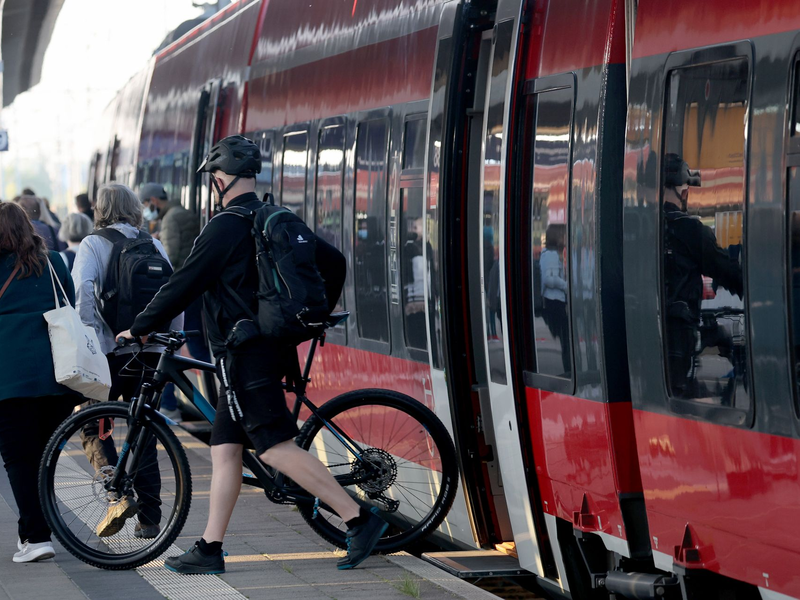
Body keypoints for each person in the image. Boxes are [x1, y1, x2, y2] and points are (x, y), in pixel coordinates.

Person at [118, 135, 387, 575]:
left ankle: (358, 517)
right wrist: (304, 322)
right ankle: (210, 547)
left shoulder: (223, 226)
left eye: (213, 179)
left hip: (246, 354)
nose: (213, 185)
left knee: (274, 446)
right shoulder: (272, 217)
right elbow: (334, 262)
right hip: (261, 348)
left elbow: (184, 282)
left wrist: (142, 326)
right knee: (226, 449)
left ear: (221, 179)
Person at [72, 183, 181, 539]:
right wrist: (168, 342)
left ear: (100, 210)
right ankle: (150, 519)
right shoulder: (153, 244)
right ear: (135, 208)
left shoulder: (93, 243)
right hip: (148, 351)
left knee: (92, 423)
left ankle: (117, 494)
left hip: (108, 353)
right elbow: (172, 295)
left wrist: (88, 340)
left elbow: (82, 295)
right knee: (143, 430)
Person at [0, 202, 82, 562]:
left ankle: (36, 538)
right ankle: (37, 531)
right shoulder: (53, 263)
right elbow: (71, 304)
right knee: (45, 457)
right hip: (57, 378)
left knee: (20, 459)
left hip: (10, 380)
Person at [662, 153, 743, 398]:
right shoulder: (690, 230)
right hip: (678, 335)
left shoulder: (640, 227)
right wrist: (757, 285)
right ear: (683, 191)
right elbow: (724, 269)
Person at [139, 183, 206, 420]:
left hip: (181, 293)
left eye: (146, 205)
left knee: (167, 349)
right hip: (196, 290)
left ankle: (168, 406)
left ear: (153, 201)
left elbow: (170, 259)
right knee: (197, 348)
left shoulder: (170, 220)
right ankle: (210, 400)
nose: (146, 210)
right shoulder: (185, 214)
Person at [540, 224, 571, 375]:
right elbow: (548, 279)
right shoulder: (551, 255)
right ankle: (567, 370)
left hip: (554, 302)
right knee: (564, 339)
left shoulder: (548, 254)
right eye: (563, 235)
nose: (566, 238)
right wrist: (566, 285)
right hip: (555, 302)